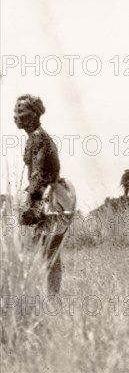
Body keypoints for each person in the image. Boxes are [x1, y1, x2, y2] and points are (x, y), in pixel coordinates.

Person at [14, 94, 75, 294]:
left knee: (49, 251)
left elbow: (38, 176)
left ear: (34, 114)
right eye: (15, 111)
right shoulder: (34, 137)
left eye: (20, 111)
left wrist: (30, 206)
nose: (15, 116)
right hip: (45, 197)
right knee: (45, 251)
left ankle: (52, 298)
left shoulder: (39, 137)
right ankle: (49, 296)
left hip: (51, 200)